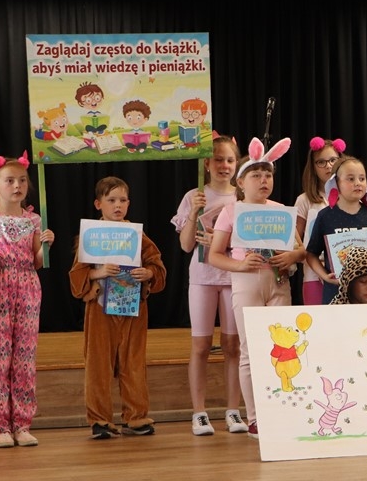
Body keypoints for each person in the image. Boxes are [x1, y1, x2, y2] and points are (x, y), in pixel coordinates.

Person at [208, 138, 300, 439]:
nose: (264, 180)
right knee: (249, 350)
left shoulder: (280, 210)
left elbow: (300, 249)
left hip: (279, 283)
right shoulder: (231, 211)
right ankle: (255, 417)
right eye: (256, 175)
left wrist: (292, 257)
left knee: (284, 350)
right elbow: (214, 255)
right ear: (241, 182)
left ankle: (281, 411)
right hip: (246, 282)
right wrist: (240, 265)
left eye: (268, 175)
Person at [0, 152, 54, 448]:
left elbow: (37, 261)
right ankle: (1, 426)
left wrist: (45, 246)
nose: (17, 186)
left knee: (24, 359)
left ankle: (23, 424)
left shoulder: (33, 219)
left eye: (22, 181)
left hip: (27, 288)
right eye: (9, 181)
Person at [69, 176, 167, 439]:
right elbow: (77, 275)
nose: (118, 205)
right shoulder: (91, 235)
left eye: (123, 200)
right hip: (100, 309)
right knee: (98, 365)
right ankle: (99, 420)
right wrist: (98, 273)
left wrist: (149, 273)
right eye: (111, 200)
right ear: (98, 204)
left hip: (132, 308)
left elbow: (156, 263)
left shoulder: (136, 234)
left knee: (133, 363)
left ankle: (136, 417)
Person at [171, 134, 249, 436]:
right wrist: (193, 213)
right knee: (201, 346)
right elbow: (185, 245)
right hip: (203, 278)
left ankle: (233, 410)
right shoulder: (195, 195)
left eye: (230, 160)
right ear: (207, 163)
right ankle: (199, 413)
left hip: (233, 278)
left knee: (233, 346)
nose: (224, 165)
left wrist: (224, 241)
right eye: (218, 159)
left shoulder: (241, 199)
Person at [305, 156, 367, 305]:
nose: (357, 183)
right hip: (336, 294)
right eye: (350, 179)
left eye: (362, 178)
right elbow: (311, 254)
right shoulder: (325, 216)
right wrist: (325, 276)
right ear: (336, 183)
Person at [294, 137, 346, 305]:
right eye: (321, 162)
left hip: (346, 273)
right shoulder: (304, 200)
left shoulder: (350, 198)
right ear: (313, 167)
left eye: (332, 160)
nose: (328, 166)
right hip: (313, 275)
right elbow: (295, 240)